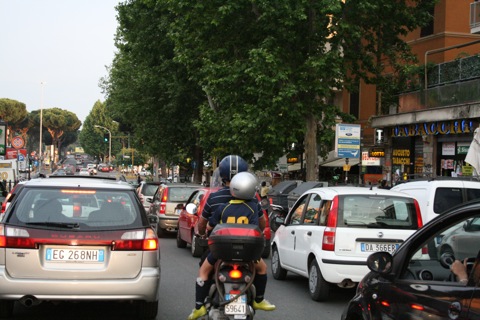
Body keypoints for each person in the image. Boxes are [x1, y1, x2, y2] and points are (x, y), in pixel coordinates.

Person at [187, 155, 275, 320]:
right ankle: (258, 299)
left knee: (203, 271)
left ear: (222, 175)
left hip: (220, 250)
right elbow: (261, 225)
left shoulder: (216, 200)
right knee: (262, 269)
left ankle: (199, 305)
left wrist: (202, 234)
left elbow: (204, 224)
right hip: (248, 251)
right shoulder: (252, 200)